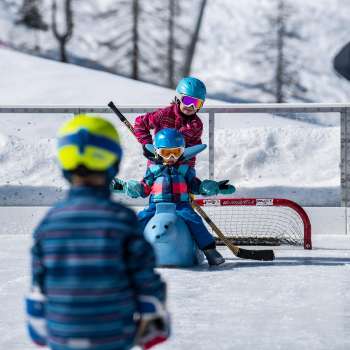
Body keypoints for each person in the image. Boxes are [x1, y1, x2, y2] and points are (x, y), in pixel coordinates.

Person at [26, 115, 169, 350]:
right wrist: (155, 321)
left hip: (61, 337)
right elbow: (146, 282)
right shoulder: (122, 220)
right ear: (114, 163)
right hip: (113, 336)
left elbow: (38, 285)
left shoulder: (49, 223)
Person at [113, 128, 235, 266]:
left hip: (180, 205)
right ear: (157, 151)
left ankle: (209, 250)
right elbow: (144, 188)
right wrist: (127, 187)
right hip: (156, 206)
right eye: (166, 153)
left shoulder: (185, 170)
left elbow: (196, 186)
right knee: (139, 220)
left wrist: (215, 187)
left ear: (182, 151)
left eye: (176, 152)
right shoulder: (153, 170)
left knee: (194, 221)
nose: (171, 157)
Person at [134, 76, 206, 167]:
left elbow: (192, 149)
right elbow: (140, 123)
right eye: (187, 101)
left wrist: (188, 169)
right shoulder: (164, 115)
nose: (191, 106)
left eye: (197, 103)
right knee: (156, 180)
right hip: (158, 163)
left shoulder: (196, 125)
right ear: (178, 98)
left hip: (180, 168)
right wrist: (147, 144)